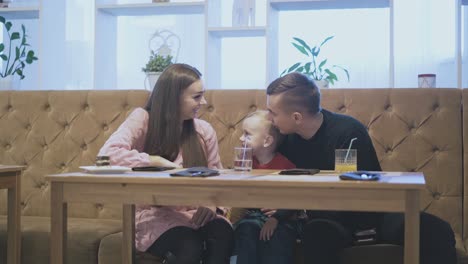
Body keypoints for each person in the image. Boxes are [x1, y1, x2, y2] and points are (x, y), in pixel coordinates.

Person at [265, 72, 457, 264]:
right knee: (316, 232)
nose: (268, 118)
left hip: (374, 214)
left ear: (296, 117)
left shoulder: (346, 132)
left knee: (436, 230)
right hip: (329, 221)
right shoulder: (286, 139)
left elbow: (346, 187)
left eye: (272, 113)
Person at [98, 63, 233, 264]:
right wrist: (153, 160)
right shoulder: (143, 119)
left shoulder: (204, 131)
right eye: (196, 97)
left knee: (223, 233)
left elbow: (217, 175)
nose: (203, 102)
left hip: (196, 213)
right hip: (155, 216)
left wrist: (212, 204)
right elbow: (107, 155)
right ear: (174, 97)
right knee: (189, 244)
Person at [231, 110, 298, 264]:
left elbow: (294, 198)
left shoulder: (285, 167)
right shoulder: (245, 163)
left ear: (267, 141)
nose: (241, 138)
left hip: (282, 218)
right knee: (246, 228)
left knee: (280, 236)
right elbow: (237, 193)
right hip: (251, 216)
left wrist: (276, 218)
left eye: (247, 134)